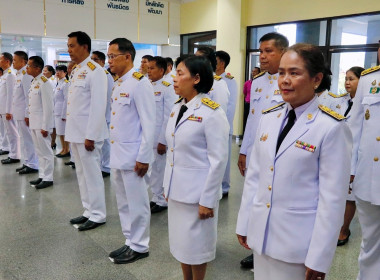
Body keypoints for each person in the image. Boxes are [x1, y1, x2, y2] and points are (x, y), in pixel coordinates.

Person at [236, 43, 352, 280]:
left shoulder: (330, 128)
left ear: (316, 79)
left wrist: (319, 257)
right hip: (262, 235)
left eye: (294, 73)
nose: (284, 80)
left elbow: (332, 200)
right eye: (281, 72)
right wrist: (245, 223)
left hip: (298, 244)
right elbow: (255, 177)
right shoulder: (269, 118)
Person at [163, 54, 229, 280]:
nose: (174, 78)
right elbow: (173, 152)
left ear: (197, 78)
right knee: (182, 245)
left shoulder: (212, 113)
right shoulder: (177, 107)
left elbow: (218, 160)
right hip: (177, 192)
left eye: (180, 73)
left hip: (198, 195)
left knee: (197, 249)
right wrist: (167, 186)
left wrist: (207, 200)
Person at [237, 32, 289, 269]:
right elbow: (252, 121)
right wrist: (244, 151)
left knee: (273, 201)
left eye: (269, 51)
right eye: (261, 51)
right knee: (255, 201)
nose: (263, 56)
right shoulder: (257, 82)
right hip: (256, 152)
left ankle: (271, 248)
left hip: (277, 154)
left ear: (283, 53)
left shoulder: (289, 81)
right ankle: (255, 245)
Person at [106, 38, 155, 264]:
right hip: (118, 154)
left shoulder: (139, 83)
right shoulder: (119, 82)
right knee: (124, 203)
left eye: (113, 56)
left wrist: (144, 157)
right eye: (108, 56)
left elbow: (149, 124)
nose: (109, 61)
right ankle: (129, 240)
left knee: (137, 203)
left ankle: (140, 245)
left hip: (134, 157)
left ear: (127, 57)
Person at [66, 31, 108, 231]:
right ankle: (88, 210)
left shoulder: (95, 70)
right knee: (81, 175)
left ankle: (98, 214)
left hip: (88, 135)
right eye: (68, 46)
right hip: (75, 133)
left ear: (84, 47)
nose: (69, 50)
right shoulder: (76, 70)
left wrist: (90, 136)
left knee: (92, 175)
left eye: (72, 45)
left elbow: (98, 106)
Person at [349, 41, 380, 280]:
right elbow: (355, 128)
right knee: (370, 242)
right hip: (369, 176)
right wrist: (350, 170)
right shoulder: (370, 80)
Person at [336, 66, 364, 247]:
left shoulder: (365, 105)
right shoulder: (340, 102)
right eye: (346, 78)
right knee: (336, 193)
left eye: (352, 79)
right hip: (337, 153)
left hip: (356, 156)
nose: (347, 82)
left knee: (349, 196)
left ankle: (344, 229)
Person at [147, 56, 177, 213]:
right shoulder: (148, 85)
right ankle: (155, 196)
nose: (149, 71)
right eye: (148, 68)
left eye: (152, 68)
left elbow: (168, 116)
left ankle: (162, 199)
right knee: (153, 170)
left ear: (162, 70)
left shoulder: (168, 87)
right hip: (149, 136)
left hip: (159, 136)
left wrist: (163, 140)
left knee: (160, 169)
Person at [26, 56, 55, 189]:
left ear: (37, 68)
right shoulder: (34, 82)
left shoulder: (44, 83)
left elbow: (48, 108)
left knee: (46, 151)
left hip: (42, 124)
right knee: (39, 151)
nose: (27, 68)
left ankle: (48, 178)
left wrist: (46, 126)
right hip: (34, 123)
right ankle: (42, 175)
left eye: (29, 65)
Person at [215, 50, 238, 197]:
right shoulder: (211, 79)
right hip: (213, 126)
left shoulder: (229, 81)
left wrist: (225, 127)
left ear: (222, 63)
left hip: (224, 127)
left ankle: (224, 187)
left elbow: (230, 106)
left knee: (225, 158)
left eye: (215, 61)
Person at [12, 51, 39, 174]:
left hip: (24, 114)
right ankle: (27, 161)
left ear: (23, 61)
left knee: (28, 139)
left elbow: (28, 96)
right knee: (23, 139)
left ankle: (33, 164)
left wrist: (28, 114)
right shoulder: (19, 75)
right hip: (18, 113)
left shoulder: (26, 75)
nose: (13, 62)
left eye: (15, 60)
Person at [91, 50, 113, 178]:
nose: (93, 62)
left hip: (105, 115)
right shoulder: (96, 74)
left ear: (102, 62)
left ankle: (107, 166)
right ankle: (102, 165)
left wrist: (103, 115)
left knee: (106, 143)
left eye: (96, 60)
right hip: (99, 115)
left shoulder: (105, 75)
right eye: (92, 59)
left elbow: (107, 97)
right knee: (101, 143)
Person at [195, 47, 229, 114]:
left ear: (208, 63)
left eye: (198, 59)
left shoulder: (218, 84)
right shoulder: (195, 80)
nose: (193, 62)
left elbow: (220, 113)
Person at [0, 52, 19, 163]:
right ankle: (8, 149)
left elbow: (11, 94)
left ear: (7, 61)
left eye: (0, 59)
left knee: (12, 133)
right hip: (2, 109)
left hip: (7, 110)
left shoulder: (11, 75)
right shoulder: (4, 75)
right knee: (5, 132)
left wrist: (9, 111)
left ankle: (15, 155)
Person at [53, 65, 70, 157]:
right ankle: (63, 148)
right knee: (60, 132)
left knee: (64, 132)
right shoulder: (58, 83)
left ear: (65, 73)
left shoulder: (66, 84)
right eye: (57, 70)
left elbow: (66, 100)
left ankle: (66, 149)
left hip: (62, 112)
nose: (58, 72)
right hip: (56, 111)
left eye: (60, 71)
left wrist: (64, 114)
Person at [63, 61, 76, 169]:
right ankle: (73, 158)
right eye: (68, 68)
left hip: (77, 117)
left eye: (71, 68)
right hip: (70, 114)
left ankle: (74, 159)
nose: (69, 70)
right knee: (71, 138)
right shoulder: (70, 80)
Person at [243, 67, 260, 133]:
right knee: (246, 120)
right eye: (252, 71)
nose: (253, 73)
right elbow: (244, 93)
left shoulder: (261, 83)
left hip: (257, 105)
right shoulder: (247, 83)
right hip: (248, 104)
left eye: (255, 71)